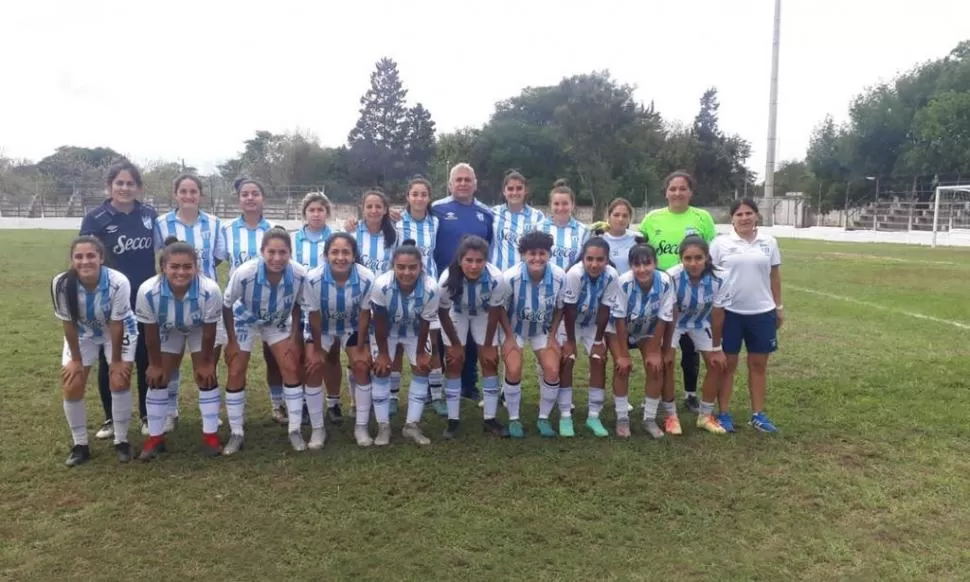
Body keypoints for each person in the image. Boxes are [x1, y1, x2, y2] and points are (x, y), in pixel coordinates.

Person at [80, 161, 156, 441]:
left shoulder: (148, 214)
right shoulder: (96, 218)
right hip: (109, 300)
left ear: (138, 187)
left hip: (144, 298)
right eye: (119, 183)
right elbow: (86, 260)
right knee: (109, 358)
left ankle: (148, 414)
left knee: (145, 356)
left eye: (130, 183)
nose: (125, 188)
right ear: (109, 186)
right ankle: (111, 417)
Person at [52, 236, 138, 466]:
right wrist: (76, 361)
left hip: (117, 329)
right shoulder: (61, 283)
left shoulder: (118, 282)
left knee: (119, 380)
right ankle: (80, 445)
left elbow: (117, 323)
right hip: (82, 332)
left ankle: (121, 441)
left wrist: (117, 361)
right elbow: (68, 323)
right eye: (78, 257)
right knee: (72, 382)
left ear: (101, 258)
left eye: (91, 255)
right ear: (71, 260)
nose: (85, 261)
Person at [222, 227, 310, 454]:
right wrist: (231, 340)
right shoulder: (245, 272)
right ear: (262, 252)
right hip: (245, 320)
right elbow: (227, 304)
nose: (277, 258)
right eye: (271, 252)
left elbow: (300, 305)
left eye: (283, 252)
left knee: (290, 367)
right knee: (236, 370)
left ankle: (294, 429)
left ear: (290, 253)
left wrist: (295, 337)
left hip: (277, 321)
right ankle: (236, 432)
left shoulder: (299, 273)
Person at [135, 238, 222, 460]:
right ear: (163, 267)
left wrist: (205, 362)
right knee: (158, 377)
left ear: (196, 267)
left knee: (206, 376)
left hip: (201, 328)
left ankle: (210, 436)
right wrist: (154, 365)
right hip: (168, 327)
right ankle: (155, 439)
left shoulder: (210, 290)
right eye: (174, 266)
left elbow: (210, 330)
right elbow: (150, 332)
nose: (180, 272)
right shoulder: (147, 291)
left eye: (187, 267)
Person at [638, 171, 716, 414]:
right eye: (673, 188)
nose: (677, 193)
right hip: (661, 290)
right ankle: (655, 394)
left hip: (694, 290)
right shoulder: (652, 218)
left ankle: (691, 394)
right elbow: (641, 249)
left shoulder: (702, 217)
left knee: (691, 348)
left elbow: (711, 252)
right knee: (661, 347)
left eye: (683, 188)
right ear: (666, 192)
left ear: (690, 192)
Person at [153, 173, 226, 433]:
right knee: (168, 362)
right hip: (170, 301)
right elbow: (161, 259)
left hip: (205, 302)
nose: (188, 196)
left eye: (193, 191)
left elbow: (217, 258)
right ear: (176, 194)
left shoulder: (215, 223)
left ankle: (210, 411)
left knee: (207, 359)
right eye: (183, 191)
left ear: (200, 195)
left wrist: (200, 280)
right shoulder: (161, 223)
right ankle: (170, 411)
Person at [710, 199, 782, 433]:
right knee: (727, 365)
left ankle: (758, 415)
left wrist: (778, 306)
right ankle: (724, 413)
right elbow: (710, 276)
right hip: (730, 313)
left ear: (756, 216)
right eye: (739, 214)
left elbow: (774, 276)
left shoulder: (769, 242)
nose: (744, 218)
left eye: (749, 213)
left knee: (758, 365)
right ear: (731, 218)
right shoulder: (720, 243)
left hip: (762, 312)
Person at [221, 178, 286, 425]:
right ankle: (237, 415)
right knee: (238, 361)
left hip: (272, 306)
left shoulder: (274, 229)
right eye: (245, 194)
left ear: (263, 198)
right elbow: (216, 261)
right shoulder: (226, 230)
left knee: (274, 358)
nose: (250, 198)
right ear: (239, 199)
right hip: (239, 308)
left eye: (255, 193)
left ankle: (277, 404)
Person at [304, 233, 378, 447]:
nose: (340, 257)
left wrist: (363, 345)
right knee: (313, 367)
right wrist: (317, 349)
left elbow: (365, 313)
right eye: (334, 252)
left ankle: (361, 426)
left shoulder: (366, 277)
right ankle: (318, 429)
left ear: (354, 256)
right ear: (326, 255)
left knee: (362, 365)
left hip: (352, 325)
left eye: (346, 252)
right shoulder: (313, 279)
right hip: (323, 327)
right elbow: (314, 315)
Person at [431, 163, 494, 402]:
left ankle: (469, 383)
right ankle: (437, 384)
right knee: (440, 335)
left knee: (470, 335)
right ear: (450, 183)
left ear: (475, 184)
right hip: (443, 281)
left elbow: (491, 247)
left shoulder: (486, 213)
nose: (463, 183)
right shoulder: (436, 208)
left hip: (475, 281)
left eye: (468, 179)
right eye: (458, 180)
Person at [437, 235, 510, 438]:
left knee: (489, 361)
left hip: (483, 313)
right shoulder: (446, 279)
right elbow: (442, 312)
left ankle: (490, 418)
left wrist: (487, 345)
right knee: (453, 361)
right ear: (460, 260)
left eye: (479, 261)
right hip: (457, 313)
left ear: (486, 261)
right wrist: (454, 344)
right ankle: (453, 420)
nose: (474, 266)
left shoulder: (497, 278)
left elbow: (495, 311)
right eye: (469, 260)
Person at [369, 241, 440, 445]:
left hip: (415, 332)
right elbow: (380, 322)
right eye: (401, 267)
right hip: (387, 332)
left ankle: (411, 425)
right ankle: (384, 426)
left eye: (412, 267)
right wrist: (383, 354)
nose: (406, 272)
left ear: (421, 267)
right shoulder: (381, 285)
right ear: (393, 266)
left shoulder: (431, 288)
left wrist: (421, 353)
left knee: (422, 368)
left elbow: (426, 321)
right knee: (381, 369)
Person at [500, 230, 567, 438]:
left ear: (549, 254)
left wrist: (553, 335)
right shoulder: (510, 277)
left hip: (541, 330)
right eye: (532, 253)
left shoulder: (558, 276)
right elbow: (500, 309)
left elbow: (560, 307)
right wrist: (509, 338)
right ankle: (513, 418)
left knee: (552, 369)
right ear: (522, 255)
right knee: (513, 368)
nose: (537, 258)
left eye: (542, 253)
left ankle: (544, 418)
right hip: (515, 329)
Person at [561, 237, 629, 437]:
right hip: (571, 323)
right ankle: (565, 415)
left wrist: (599, 341)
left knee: (599, 359)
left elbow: (605, 309)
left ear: (607, 260)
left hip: (593, 323)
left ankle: (593, 415)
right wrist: (571, 341)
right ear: (582, 258)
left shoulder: (612, 275)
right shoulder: (574, 274)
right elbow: (569, 309)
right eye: (589, 258)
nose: (594, 264)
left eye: (600, 259)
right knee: (567, 359)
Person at [614, 243, 680, 439]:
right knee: (621, 367)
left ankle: (649, 419)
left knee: (655, 365)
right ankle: (622, 417)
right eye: (637, 264)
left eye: (647, 263)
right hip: (623, 328)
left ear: (655, 263)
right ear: (630, 266)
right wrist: (624, 354)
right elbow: (618, 319)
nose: (642, 269)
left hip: (649, 329)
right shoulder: (623, 282)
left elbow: (664, 318)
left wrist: (655, 351)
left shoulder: (666, 282)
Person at [667, 236, 730, 435]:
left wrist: (717, 349)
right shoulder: (672, 277)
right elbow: (670, 312)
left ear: (707, 258)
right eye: (687, 258)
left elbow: (718, 313)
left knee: (716, 363)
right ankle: (671, 416)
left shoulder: (722, 276)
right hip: (674, 322)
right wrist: (667, 346)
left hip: (701, 322)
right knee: (666, 362)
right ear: (681, 259)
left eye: (698, 258)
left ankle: (705, 415)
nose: (693, 263)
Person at [396, 176, 445, 418]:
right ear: (407, 197)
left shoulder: (434, 222)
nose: (419, 198)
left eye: (423, 194)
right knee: (395, 345)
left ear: (429, 197)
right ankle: (393, 397)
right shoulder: (396, 222)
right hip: (402, 290)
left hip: (428, 289)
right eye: (414, 194)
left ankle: (435, 395)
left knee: (432, 343)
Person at [290, 192, 340, 424]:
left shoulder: (336, 237)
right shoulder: (294, 239)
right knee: (304, 355)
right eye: (312, 210)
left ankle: (333, 402)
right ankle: (305, 403)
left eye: (321, 210)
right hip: (299, 304)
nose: (316, 214)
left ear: (327, 213)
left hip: (329, 306)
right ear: (305, 213)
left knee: (331, 356)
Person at [490, 170, 544, 272]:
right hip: (497, 276)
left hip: (524, 277)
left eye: (519, 188)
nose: (515, 192)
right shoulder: (493, 213)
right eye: (510, 189)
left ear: (525, 190)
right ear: (504, 191)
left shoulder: (537, 216)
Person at [538, 179, 589, 270]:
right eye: (556, 204)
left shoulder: (584, 231)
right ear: (550, 205)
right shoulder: (539, 228)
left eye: (565, 204)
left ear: (572, 205)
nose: (560, 208)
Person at [591, 198, 640, 274]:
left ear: (629, 219)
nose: (620, 219)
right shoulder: (599, 239)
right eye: (616, 215)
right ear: (609, 217)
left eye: (625, 216)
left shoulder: (637, 239)